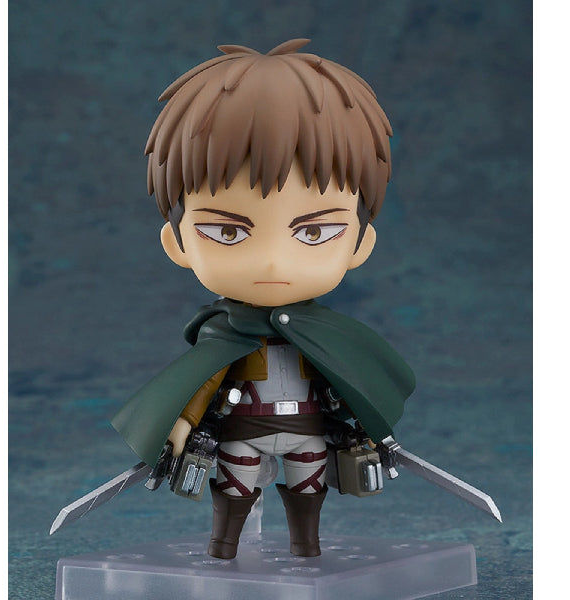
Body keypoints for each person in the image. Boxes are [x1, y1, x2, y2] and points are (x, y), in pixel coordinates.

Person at [111, 38, 415, 560]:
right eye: (228, 233)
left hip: (308, 431)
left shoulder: (331, 339)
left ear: (360, 244)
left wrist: (368, 427)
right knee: (233, 491)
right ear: (176, 243)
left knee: (309, 489)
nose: (273, 262)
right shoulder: (222, 336)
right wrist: (179, 423)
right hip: (242, 431)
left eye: (314, 233)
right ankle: (222, 550)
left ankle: (307, 551)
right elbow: (204, 380)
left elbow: (352, 382)